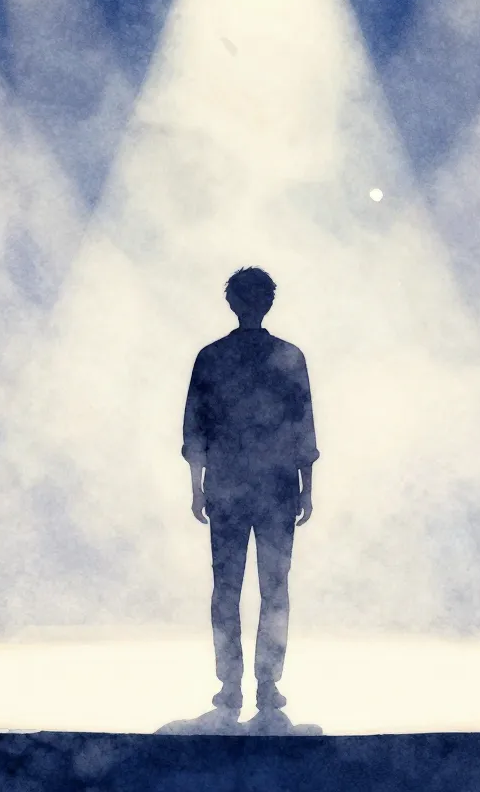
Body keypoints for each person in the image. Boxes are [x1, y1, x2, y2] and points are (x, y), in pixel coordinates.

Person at [181, 266, 317, 718]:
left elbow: (195, 427)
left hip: (229, 486)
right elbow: (303, 427)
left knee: (228, 587)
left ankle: (231, 685)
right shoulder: (288, 356)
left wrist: (197, 486)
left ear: (232, 303)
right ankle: (266, 684)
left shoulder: (212, 357)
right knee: (273, 588)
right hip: (276, 488)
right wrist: (307, 488)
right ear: (267, 302)